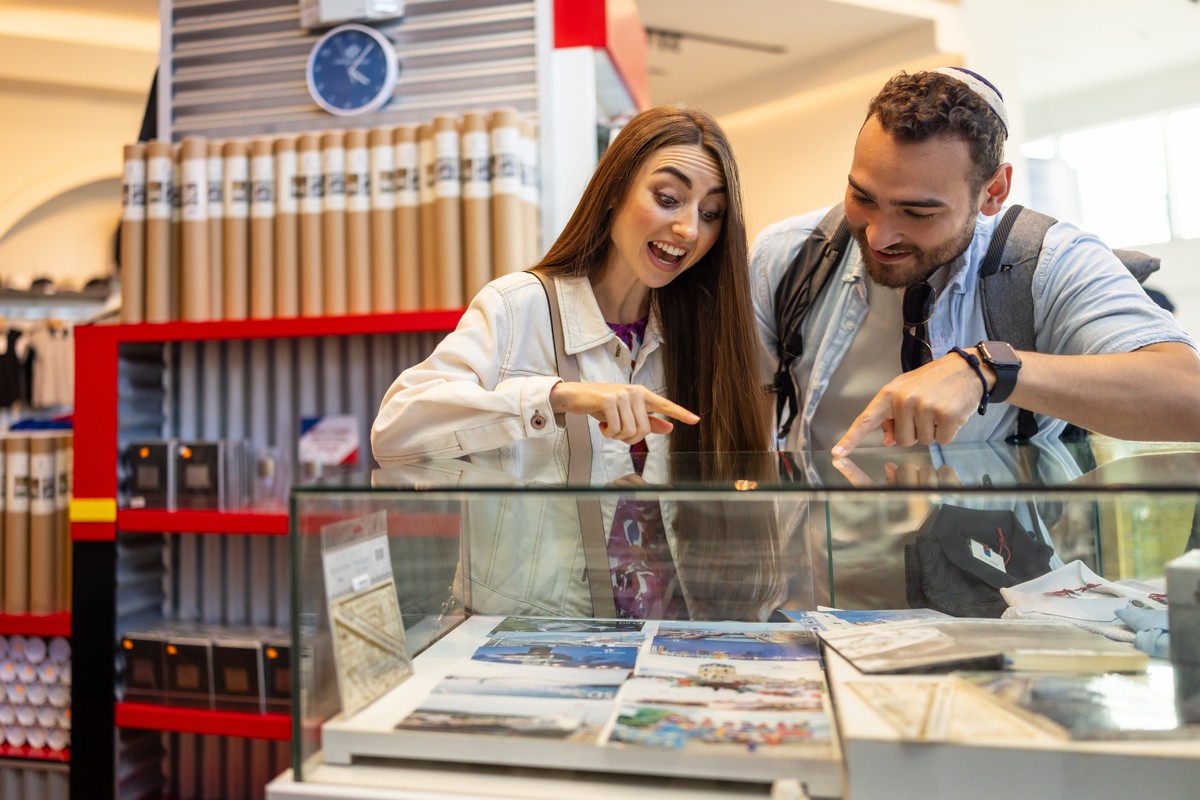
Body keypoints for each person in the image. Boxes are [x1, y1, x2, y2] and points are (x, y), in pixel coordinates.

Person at [372, 105, 777, 619]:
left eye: (711, 212)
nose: (687, 228)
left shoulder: (702, 337)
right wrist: (556, 397)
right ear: (613, 190)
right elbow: (395, 434)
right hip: (532, 644)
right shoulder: (517, 306)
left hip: (664, 643)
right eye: (668, 198)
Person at [752, 68, 1200, 457]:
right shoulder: (787, 254)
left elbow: (1188, 397)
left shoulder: (1049, 260)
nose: (877, 235)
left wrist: (987, 369)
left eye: (917, 212)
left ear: (994, 192)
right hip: (819, 553)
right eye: (862, 197)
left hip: (1006, 551)